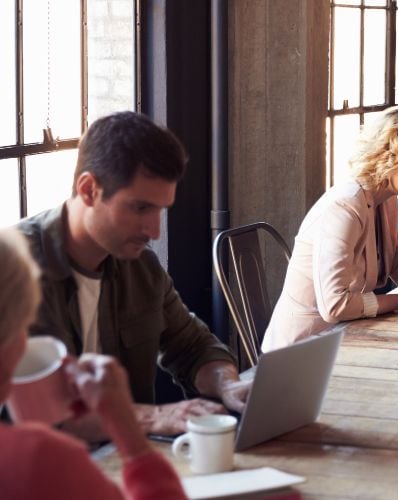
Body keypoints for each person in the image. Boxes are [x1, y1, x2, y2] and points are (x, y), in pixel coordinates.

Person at [18, 112, 249, 437]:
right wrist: (153, 418)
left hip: (125, 460)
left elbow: (193, 347)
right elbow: (39, 413)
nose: (154, 231)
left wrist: (229, 386)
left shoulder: (141, 266)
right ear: (88, 190)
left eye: (160, 210)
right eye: (140, 208)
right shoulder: (13, 272)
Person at [0, 228, 186, 499]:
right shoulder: (37, 460)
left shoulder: (144, 268)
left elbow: (189, 339)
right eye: (25, 327)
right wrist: (132, 438)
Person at [262, 106, 398, 351]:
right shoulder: (345, 207)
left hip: (346, 338)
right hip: (300, 354)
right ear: (388, 157)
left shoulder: (388, 200)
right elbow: (334, 306)